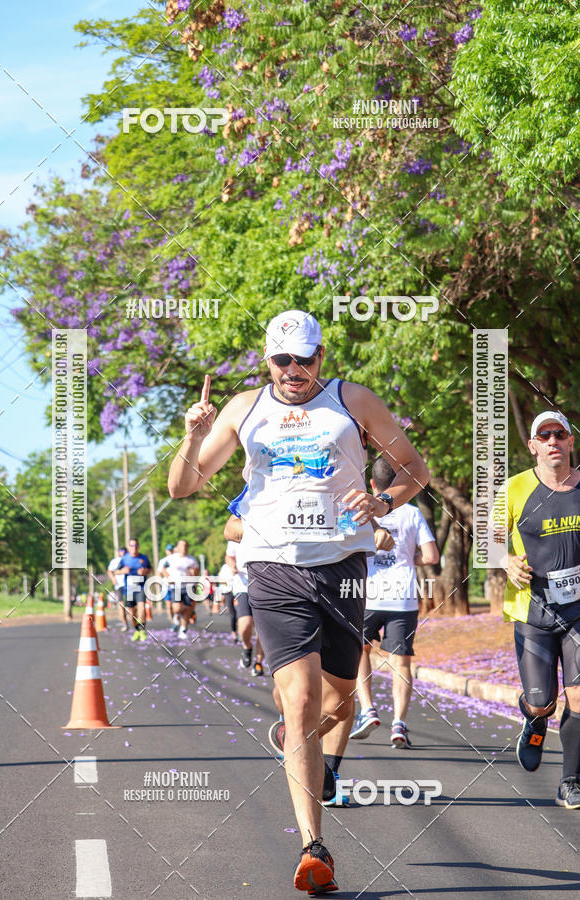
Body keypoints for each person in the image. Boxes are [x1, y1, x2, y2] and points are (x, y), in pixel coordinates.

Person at [168, 309, 428, 893]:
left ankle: (302, 741)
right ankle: (314, 847)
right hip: (273, 566)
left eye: (304, 359)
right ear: (268, 361)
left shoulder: (352, 400)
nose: (293, 371)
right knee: (304, 700)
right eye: (282, 360)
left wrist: (383, 502)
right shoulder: (243, 409)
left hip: (343, 568)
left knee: (335, 703)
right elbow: (182, 487)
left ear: (320, 358)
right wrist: (193, 432)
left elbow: (415, 468)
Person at [498, 410, 580, 810]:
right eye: (544, 436)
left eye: (559, 434)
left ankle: (570, 781)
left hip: (579, 612)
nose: (552, 441)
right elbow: (491, 540)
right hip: (533, 611)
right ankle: (534, 718)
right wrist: (506, 562)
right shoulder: (514, 489)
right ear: (532, 446)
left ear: (570, 442)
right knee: (543, 700)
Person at [350, 456, 438, 747]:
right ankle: (399, 723)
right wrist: (409, 559)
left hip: (369, 595)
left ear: (372, 484)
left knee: (360, 651)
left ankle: (368, 709)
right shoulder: (412, 513)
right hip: (403, 597)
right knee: (401, 662)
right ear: (398, 483)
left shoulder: (360, 512)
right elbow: (431, 557)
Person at [224, 515, 265, 676]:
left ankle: (259, 662)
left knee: (262, 629)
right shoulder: (238, 531)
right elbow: (229, 556)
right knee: (245, 624)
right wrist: (232, 565)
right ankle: (247, 647)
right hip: (243, 585)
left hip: (265, 586)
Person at [117, 538, 151, 642]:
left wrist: (145, 571)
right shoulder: (124, 559)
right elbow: (116, 571)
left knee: (141, 609)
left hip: (141, 587)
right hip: (129, 588)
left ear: (138, 546)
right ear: (129, 547)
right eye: (132, 546)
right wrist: (123, 571)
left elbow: (150, 569)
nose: (134, 548)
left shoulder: (144, 558)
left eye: (136, 545)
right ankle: (136, 629)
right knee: (131, 614)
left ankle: (142, 630)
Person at [165, 539, 200, 639]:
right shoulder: (171, 558)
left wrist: (193, 575)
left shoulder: (192, 559)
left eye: (185, 546)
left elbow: (196, 572)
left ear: (187, 547)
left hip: (188, 587)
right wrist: (168, 577)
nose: (184, 548)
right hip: (176, 586)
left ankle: (183, 629)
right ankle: (176, 615)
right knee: (177, 608)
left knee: (188, 609)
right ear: (178, 547)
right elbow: (162, 569)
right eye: (182, 546)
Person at [108, 547, 128, 630]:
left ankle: (135, 622)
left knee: (131, 605)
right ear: (119, 552)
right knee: (121, 605)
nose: (122, 553)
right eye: (121, 552)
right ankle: (124, 623)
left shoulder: (129, 560)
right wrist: (113, 579)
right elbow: (109, 571)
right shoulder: (114, 561)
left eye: (124, 552)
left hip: (130, 585)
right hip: (119, 585)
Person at [218, 556, 237, 641]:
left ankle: (242, 630)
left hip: (239, 591)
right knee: (232, 614)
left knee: (241, 613)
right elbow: (221, 580)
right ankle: (234, 633)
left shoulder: (239, 564)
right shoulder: (224, 568)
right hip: (228, 592)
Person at [157, 543, 175, 620]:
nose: (170, 552)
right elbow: (158, 573)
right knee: (168, 605)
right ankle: (173, 622)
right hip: (166, 585)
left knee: (176, 605)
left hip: (176, 585)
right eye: (169, 550)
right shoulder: (162, 561)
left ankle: (177, 618)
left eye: (171, 550)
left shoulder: (177, 559)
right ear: (166, 551)